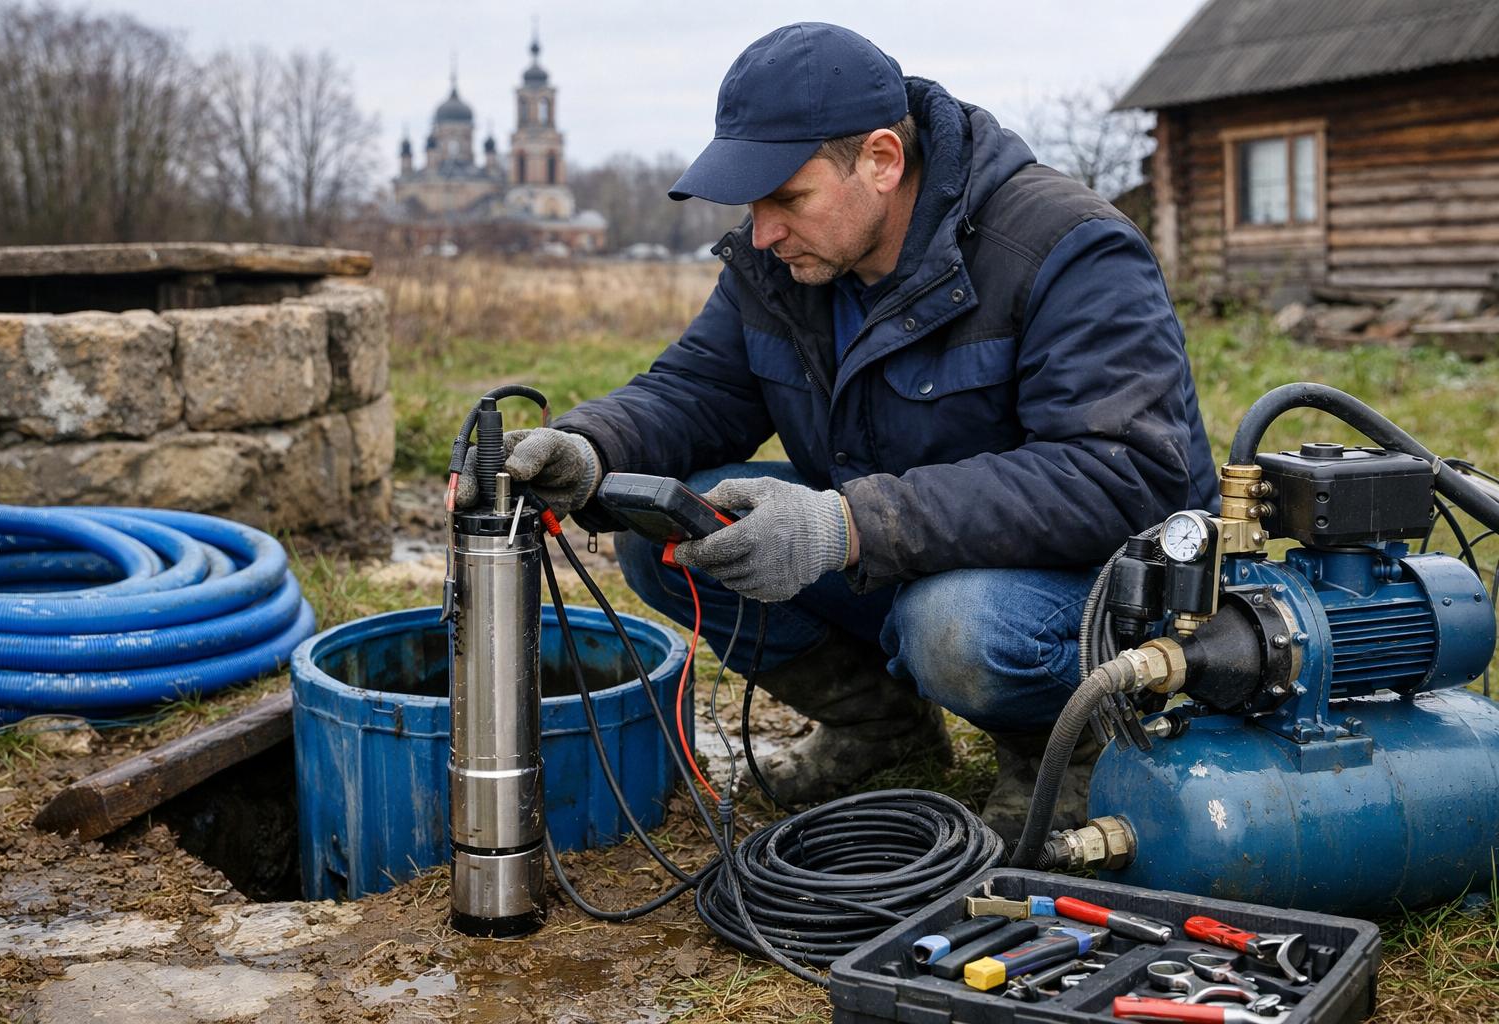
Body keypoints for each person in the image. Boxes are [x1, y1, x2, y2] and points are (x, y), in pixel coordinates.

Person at [469, 23, 1218, 834]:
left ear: (883, 161)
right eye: (753, 203)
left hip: (1107, 590)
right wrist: (589, 448)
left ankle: (1069, 753)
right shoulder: (785, 267)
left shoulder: (1065, 248)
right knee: (666, 529)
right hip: (913, 555)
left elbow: (1119, 477)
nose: (761, 231)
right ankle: (881, 729)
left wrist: (846, 524)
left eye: (787, 199)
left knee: (955, 624)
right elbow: (698, 388)